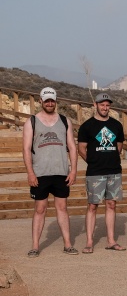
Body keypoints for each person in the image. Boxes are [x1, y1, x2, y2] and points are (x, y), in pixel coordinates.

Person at [23, 87, 79, 257]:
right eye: (46, 100)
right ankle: (35, 246)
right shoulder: (31, 121)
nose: (49, 103)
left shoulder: (64, 121)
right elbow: (26, 149)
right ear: (40, 101)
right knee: (40, 208)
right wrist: (30, 173)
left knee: (62, 207)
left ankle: (68, 244)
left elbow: (72, 146)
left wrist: (74, 169)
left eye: (52, 100)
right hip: (40, 172)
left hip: (61, 171)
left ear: (56, 101)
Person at [77, 92, 126, 252]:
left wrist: (108, 156)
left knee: (111, 204)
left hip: (114, 171)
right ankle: (89, 241)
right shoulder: (87, 126)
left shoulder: (116, 125)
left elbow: (119, 147)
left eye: (107, 105)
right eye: (102, 104)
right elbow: (81, 148)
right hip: (95, 172)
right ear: (95, 105)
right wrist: (92, 160)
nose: (105, 107)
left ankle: (111, 240)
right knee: (92, 206)